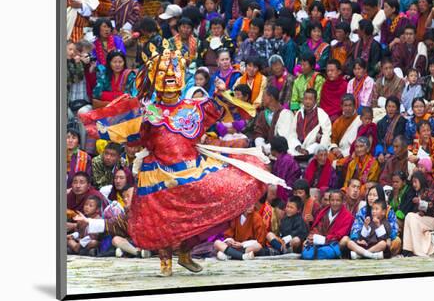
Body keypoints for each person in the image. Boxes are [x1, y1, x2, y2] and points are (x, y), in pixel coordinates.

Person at [80, 41, 288, 276]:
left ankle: (186, 252)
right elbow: (134, 136)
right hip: (159, 174)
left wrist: (221, 93)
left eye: (174, 70)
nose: (169, 75)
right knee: (161, 221)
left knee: (211, 207)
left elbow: (216, 110)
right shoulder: (149, 112)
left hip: (192, 170)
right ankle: (165, 262)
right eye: (164, 72)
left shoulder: (193, 107)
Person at [301, 190, 354, 260]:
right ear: (329, 201)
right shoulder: (323, 212)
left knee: (326, 252)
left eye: (338, 200)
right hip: (318, 242)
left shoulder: (348, 217)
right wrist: (311, 237)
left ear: (342, 202)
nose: (335, 203)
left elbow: (340, 235)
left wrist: (324, 239)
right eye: (332, 200)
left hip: (333, 244)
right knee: (307, 254)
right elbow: (317, 228)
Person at [402, 171, 434, 257]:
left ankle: (418, 250)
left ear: (421, 181)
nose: (414, 184)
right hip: (420, 219)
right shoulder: (415, 194)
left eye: (415, 181)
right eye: (413, 182)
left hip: (430, 220)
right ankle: (407, 249)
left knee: (411, 217)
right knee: (409, 216)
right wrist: (419, 212)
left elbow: (432, 207)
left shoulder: (430, 192)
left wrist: (420, 202)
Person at [289, 88, 332, 156]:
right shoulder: (299, 113)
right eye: (305, 99)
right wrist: (298, 147)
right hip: (298, 150)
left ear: (315, 101)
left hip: (314, 151)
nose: (307, 102)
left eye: (310, 99)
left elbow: (325, 136)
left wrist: (308, 150)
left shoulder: (321, 115)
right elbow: (292, 133)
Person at [253, 86, 294, 155]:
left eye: (264, 96)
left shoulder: (285, 114)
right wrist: (260, 146)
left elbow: (284, 136)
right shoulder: (262, 114)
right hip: (263, 150)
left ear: (271, 97)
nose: (262, 99)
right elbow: (258, 132)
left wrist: (267, 148)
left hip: (280, 152)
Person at [329, 95, 363, 160]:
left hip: (354, 152)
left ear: (354, 106)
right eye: (345, 105)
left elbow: (360, 142)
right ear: (342, 107)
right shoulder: (337, 122)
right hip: (338, 152)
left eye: (350, 105)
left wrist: (344, 154)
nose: (348, 108)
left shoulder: (360, 121)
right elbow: (333, 140)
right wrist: (335, 149)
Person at [271, 136, 302, 202]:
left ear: (274, 149)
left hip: (288, 193)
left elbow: (281, 181)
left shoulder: (284, 161)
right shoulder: (285, 158)